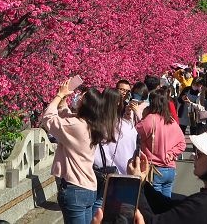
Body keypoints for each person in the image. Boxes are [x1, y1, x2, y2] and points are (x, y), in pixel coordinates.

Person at [109, 123, 207, 224]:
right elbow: (169, 207)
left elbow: (152, 221)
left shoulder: (204, 205)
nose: (195, 156)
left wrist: (135, 183)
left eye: (200, 153)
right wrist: (143, 184)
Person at [41, 80, 119, 224]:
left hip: (74, 188)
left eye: (81, 97)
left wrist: (59, 95)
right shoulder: (93, 125)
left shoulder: (77, 126)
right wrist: (63, 102)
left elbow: (48, 118)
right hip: (89, 187)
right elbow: (68, 117)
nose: (77, 98)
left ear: (85, 105)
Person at [93, 89, 139, 212]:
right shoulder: (127, 126)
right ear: (119, 104)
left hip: (100, 174)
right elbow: (132, 150)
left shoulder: (94, 125)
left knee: (98, 206)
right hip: (124, 176)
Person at [136, 87, 186, 198]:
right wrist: (171, 153)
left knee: (155, 203)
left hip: (155, 168)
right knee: (166, 203)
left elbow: (136, 133)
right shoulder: (171, 121)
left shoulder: (150, 119)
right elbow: (182, 143)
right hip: (170, 168)